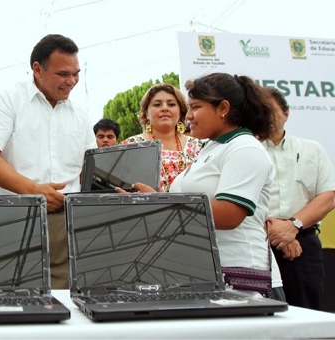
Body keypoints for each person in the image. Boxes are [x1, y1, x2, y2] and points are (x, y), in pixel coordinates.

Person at [128, 73, 279, 298]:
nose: (188, 116)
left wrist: (158, 202)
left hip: (238, 277)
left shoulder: (244, 148)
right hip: (204, 272)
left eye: (195, 107)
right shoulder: (211, 148)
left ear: (223, 108)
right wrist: (153, 199)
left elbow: (229, 214)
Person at [0, 34, 96, 289]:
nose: (71, 81)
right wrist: (34, 191)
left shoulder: (81, 116)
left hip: (65, 225)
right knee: (8, 297)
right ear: (37, 69)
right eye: (63, 74)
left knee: (63, 299)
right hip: (11, 219)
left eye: (76, 73)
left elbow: (91, 170)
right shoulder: (6, 100)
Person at [263, 87, 335, 310]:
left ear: (286, 113)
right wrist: (278, 232)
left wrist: (292, 227)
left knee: (308, 313)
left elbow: (328, 196)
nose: (267, 117)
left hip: (303, 243)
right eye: (261, 111)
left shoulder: (312, 149)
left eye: (272, 111)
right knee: (262, 316)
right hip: (259, 242)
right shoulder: (246, 150)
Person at [120, 83, 201, 192]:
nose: (164, 108)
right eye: (157, 105)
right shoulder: (131, 146)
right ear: (146, 113)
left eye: (171, 104)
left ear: (181, 112)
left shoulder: (198, 147)